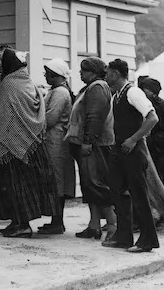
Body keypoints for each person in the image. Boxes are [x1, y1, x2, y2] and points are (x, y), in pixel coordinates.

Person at [0, 48, 60, 238]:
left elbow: (3, 114)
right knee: (23, 185)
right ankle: (16, 222)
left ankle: (23, 225)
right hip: (31, 143)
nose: (0, 64)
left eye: (2, 61)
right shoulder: (27, 81)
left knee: (17, 185)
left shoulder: (9, 83)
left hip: (14, 145)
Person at [104, 59, 160, 253]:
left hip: (134, 151)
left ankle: (148, 240)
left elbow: (152, 117)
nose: (106, 75)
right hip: (119, 150)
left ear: (117, 74)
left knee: (139, 196)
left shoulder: (133, 92)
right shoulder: (116, 96)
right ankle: (124, 236)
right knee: (118, 193)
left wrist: (134, 139)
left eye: (108, 72)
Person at [65, 57, 116, 241]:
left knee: (97, 185)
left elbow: (94, 116)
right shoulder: (91, 87)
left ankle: (113, 226)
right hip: (90, 143)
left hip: (95, 145)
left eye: (84, 70)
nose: (80, 73)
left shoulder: (97, 88)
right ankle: (94, 225)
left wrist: (88, 141)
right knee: (89, 186)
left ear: (94, 72)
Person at [37, 58, 75, 235]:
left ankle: (57, 222)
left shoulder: (60, 93)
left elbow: (51, 118)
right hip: (53, 140)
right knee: (54, 181)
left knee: (57, 181)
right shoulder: (56, 91)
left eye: (48, 73)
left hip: (56, 141)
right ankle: (55, 220)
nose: (46, 76)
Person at [138, 77, 164, 231]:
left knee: (161, 185)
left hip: (162, 155)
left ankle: (161, 218)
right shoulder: (147, 105)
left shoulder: (163, 108)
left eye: (145, 89)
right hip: (152, 153)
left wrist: (149, 138)